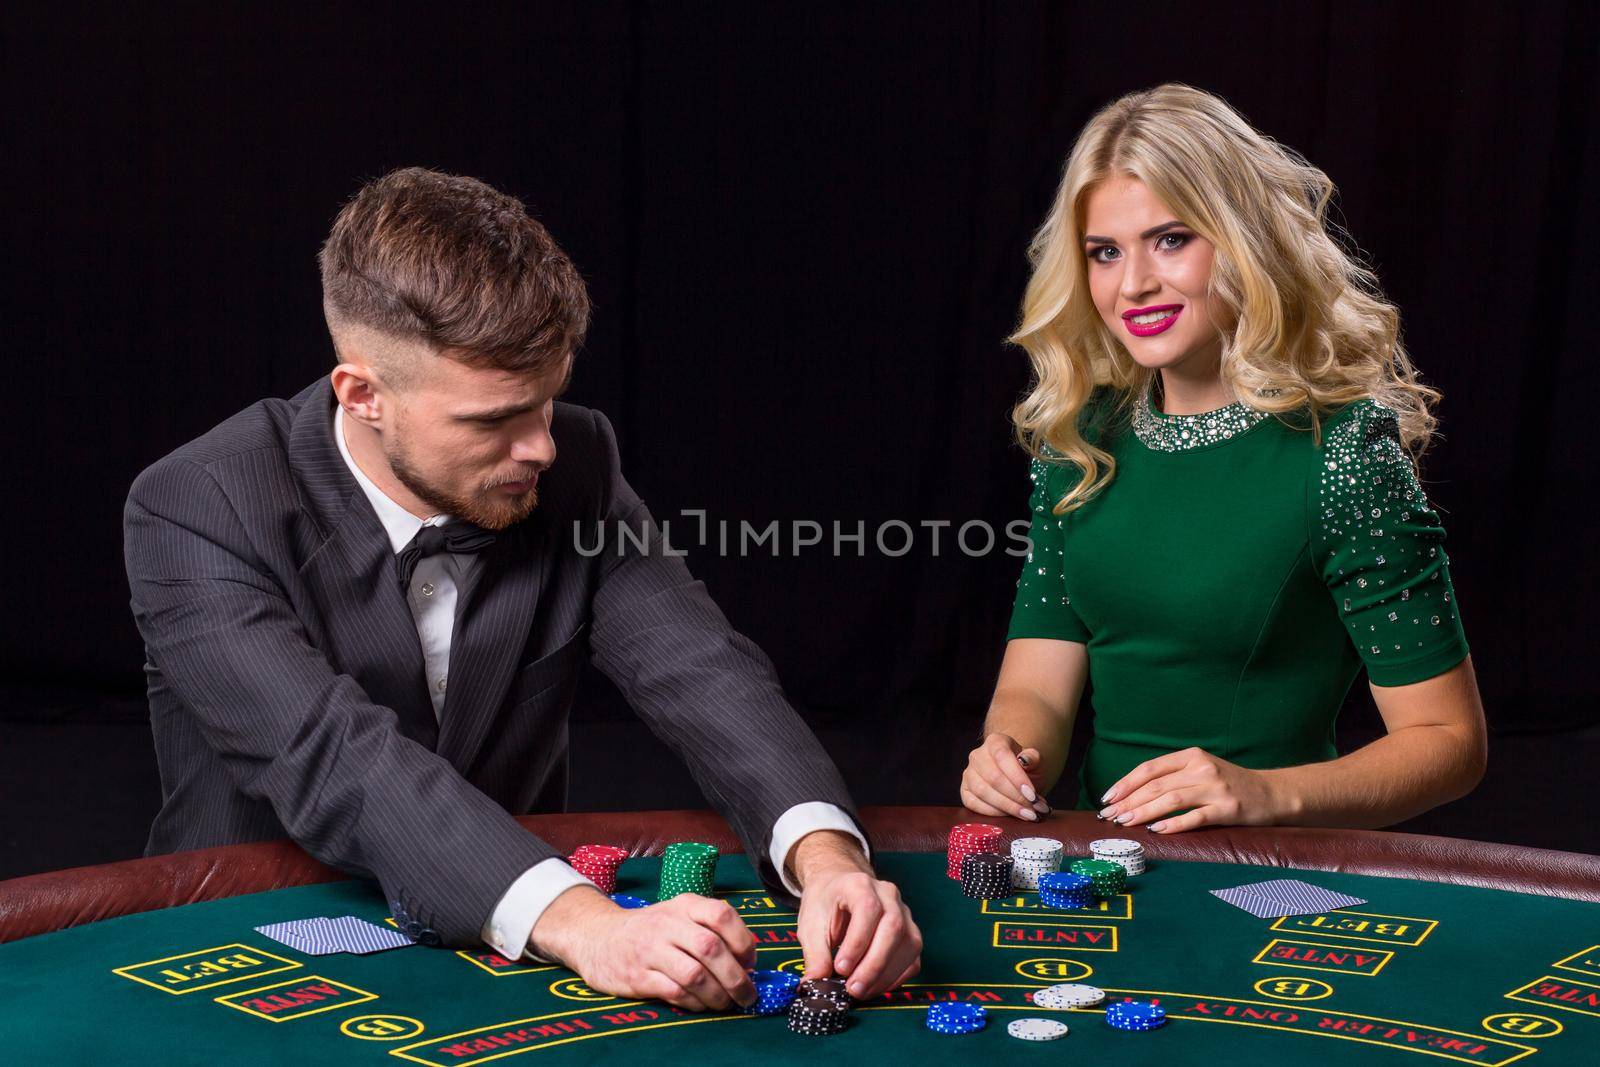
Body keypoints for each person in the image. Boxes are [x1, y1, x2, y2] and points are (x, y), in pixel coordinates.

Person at [124, 167, 920, 1012]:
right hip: (254, 949)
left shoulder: (573, 463)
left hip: (509, 960)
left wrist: (828, 854)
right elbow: (336, 757)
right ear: (362, 395)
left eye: (547, 403)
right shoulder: (198, 505)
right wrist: (592, 926)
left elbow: (702, 669)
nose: (539, 447)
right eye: (493, 419)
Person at [961, 84, 1487, 835]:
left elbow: (1450, 744)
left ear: (1243, 239)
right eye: (1105, 253)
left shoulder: (1344, 453)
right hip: (1099, 866)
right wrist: (1008, 755)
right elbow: (1038, 687)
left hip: (1273, 873)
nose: (1134, 282)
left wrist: (1264, 793)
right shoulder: (1080, 439)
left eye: (1170, 239)